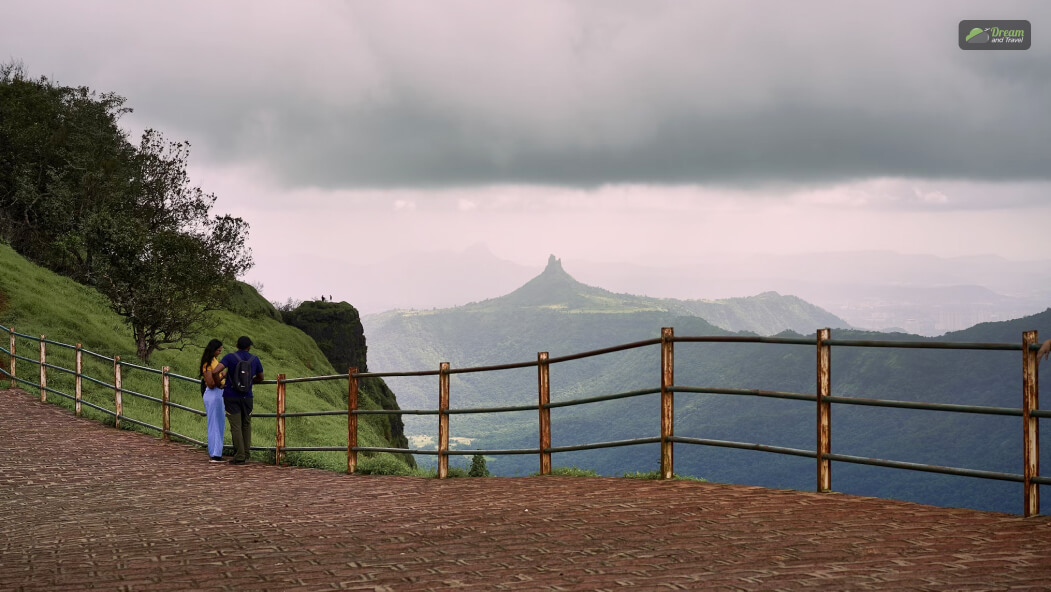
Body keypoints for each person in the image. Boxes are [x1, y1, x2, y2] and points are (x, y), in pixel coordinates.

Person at [209, 335, 264, 465]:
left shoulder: (230, 357)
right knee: (246, 424)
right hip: (247, 397)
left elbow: (215, 371)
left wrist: (219, 384)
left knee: (235, 426)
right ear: (249, 347)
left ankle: (239, 456)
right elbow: (261, 377)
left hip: (231, 395)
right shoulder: (254, 359)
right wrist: (250, 382)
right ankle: (246, 453)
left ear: (236, 345)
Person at [199, 339, 227, 462]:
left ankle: (216, 451)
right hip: (214, 393)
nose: (220, 352)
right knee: (215, 423)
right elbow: (210, 383)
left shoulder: (214, 361)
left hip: (218, 394)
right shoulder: (208, 363)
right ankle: (215, 453)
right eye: (218, 350)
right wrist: (220, 381)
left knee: (219, 423)